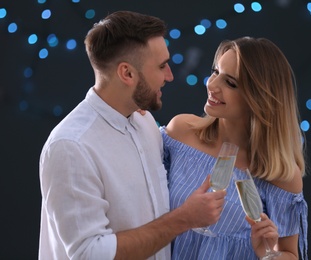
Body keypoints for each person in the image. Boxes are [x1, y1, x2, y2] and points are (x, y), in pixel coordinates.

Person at [38, 11, 226, 260]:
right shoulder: (71, 146)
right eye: (161, 66)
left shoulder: (144, 121)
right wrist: (183, 219)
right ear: (127, 74)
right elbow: (89, 254)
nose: (169, 75)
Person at [160, 37, 308, 259]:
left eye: (230, 83)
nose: (211, 85)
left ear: (259, 97)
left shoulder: (280, 175)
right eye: (215, 72)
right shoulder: (180, 132)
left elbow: (289, 254)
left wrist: (268, 254)